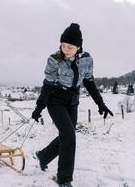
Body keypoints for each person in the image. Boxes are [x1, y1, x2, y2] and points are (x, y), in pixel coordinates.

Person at [32, 23, 113, 187]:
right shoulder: (54, 60)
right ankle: (64, 179)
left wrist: (100, 103)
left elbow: (89, 82)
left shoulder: (86, 60)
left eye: (70, 46)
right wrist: (39, 106)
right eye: (63, 45)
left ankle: (43, 156)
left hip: (72, 101)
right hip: (55, 101)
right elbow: (47, 85)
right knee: (69, 135)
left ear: (78, 46)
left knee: (67, 135)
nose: (65, 49)